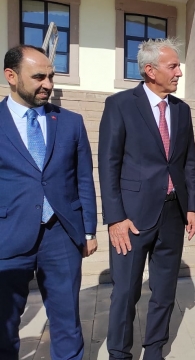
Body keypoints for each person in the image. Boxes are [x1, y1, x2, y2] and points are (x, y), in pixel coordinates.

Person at [99, 38, 195, 360]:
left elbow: (189, 162)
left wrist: (192, 206)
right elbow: (108, 163)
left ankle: (154, 349)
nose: (180, 73)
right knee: (126, 292)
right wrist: (115, 217)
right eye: (173, 66)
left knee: (165, 291)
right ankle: (119, 353)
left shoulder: (182, 111)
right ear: (150, 70)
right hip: (131, 216)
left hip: (173, 213)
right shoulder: (120, 105)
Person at [0, 45, 97, 359]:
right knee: (3, 326)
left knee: (67, 322)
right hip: (7, 237)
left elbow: (83, 178)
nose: (48, 84)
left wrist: (89, 231)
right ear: (11, 77)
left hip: (62, 236)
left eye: (51, 76)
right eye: (39, 76)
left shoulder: (70, 121)